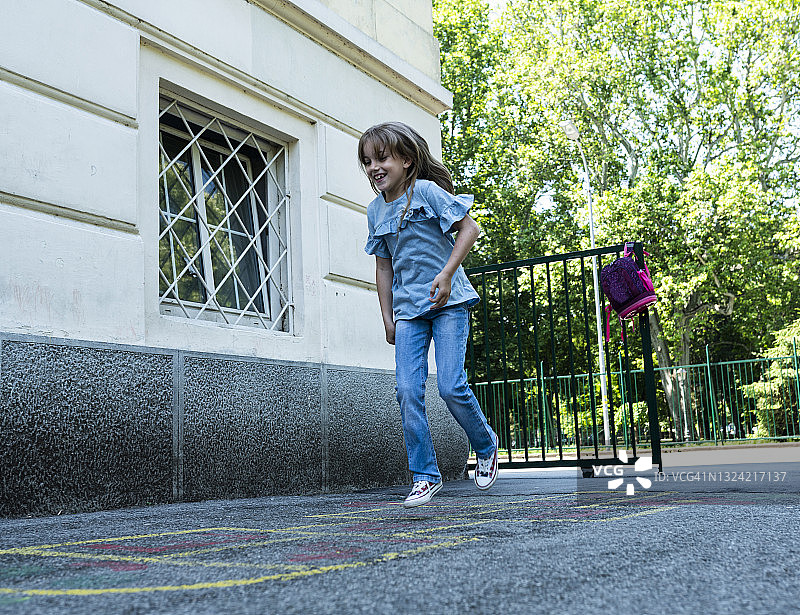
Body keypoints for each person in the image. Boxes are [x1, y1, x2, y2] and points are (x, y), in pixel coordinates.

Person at [359, 121, 499, 508]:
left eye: (382, 158)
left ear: (405, 160)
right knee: (407, 391)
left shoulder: (426, 192)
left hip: (448, 304)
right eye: (368, 161)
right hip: (408, 312)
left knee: (451, 385)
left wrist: (447, 273)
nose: (374, 167)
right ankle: (424, 475)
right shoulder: (375, 211)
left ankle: (486, 444)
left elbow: (469, 229)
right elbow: (384, 267)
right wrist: (387, 317)